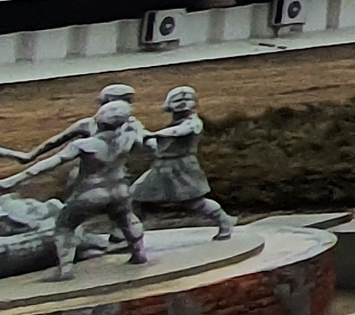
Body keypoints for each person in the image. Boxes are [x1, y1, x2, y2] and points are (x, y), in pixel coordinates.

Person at [17, 87, 152, 282]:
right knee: (127, 219)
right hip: (119, 188)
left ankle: (65, 270)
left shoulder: (87, 140)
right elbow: (147, 145)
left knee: (64, 226)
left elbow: (51, 159)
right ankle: (139, 254)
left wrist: (15, 177)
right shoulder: (130, 132)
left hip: (90, 190)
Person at [135, 87, 232, 241]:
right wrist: (138, 131)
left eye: (187, 100)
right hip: (161, 167)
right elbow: (158, 147)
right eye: (178, 101)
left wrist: (153, 134)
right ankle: (130, 234)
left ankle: (224, 222)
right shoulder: (174, 123)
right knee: (133, 197)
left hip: (182, 167)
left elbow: (178, 132)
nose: (183, 104)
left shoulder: (193, 123)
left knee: (195, 203)